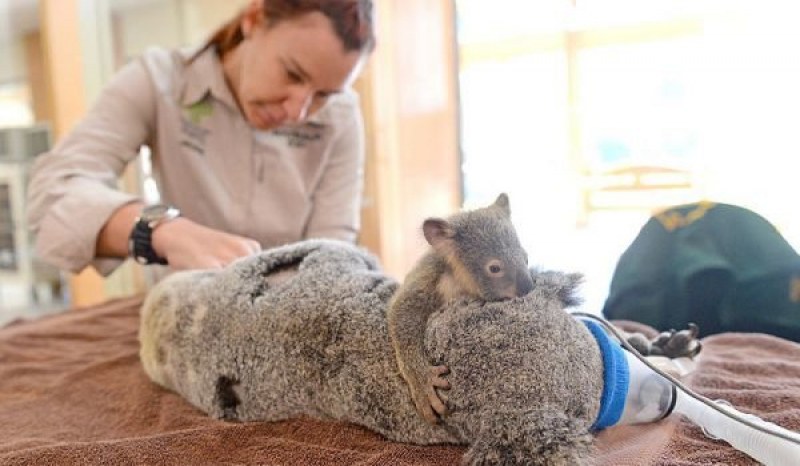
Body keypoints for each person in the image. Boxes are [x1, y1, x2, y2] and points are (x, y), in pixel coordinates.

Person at [26, 0, 375, 276]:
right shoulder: (159, 81)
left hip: (289, 323)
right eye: (292, 73)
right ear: (253, 19)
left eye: (324, 95)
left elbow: (333, 250)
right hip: (187, 316)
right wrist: (162, 232)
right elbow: (53, 196)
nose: (298, 111)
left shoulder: (341, 118)